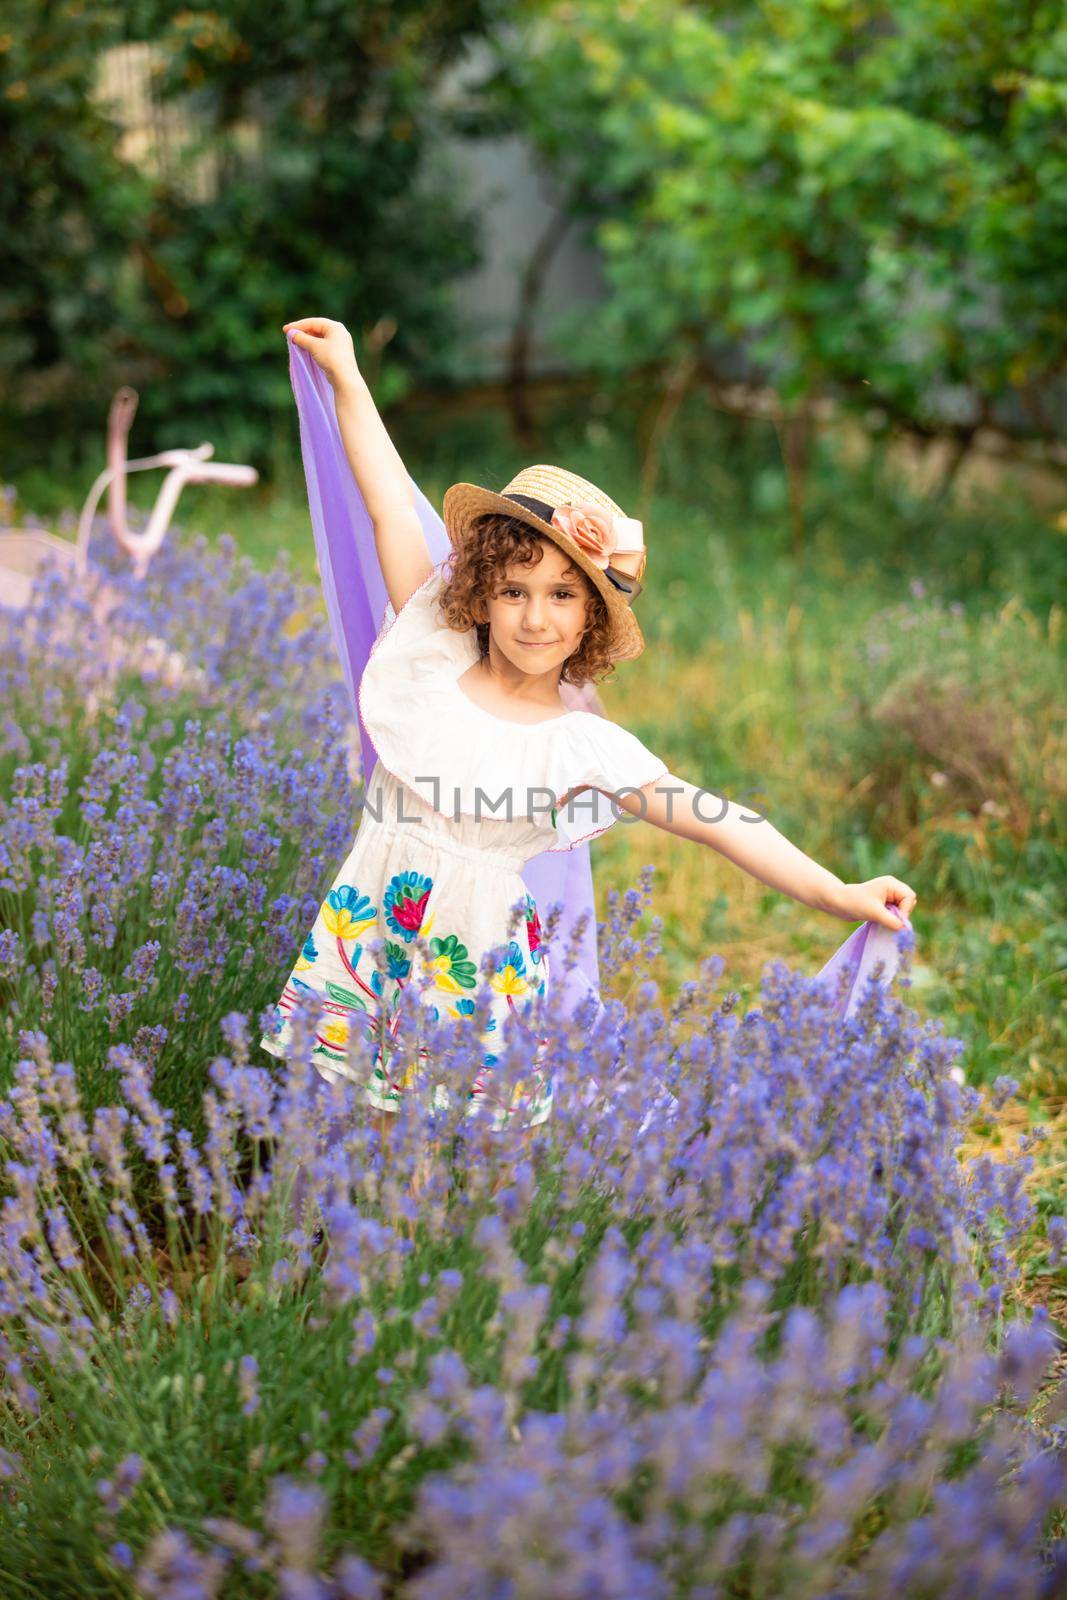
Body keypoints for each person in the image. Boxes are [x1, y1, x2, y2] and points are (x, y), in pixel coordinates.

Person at [259, 315, 917, 1167]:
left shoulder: (580, 749)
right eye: (517, 589)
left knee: (445, 1148)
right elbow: (386, 499)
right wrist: (349, 377)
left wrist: (837, 891)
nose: (536, 617)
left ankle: (437, 1273)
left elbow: (718, 820)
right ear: (481, 593)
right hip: (373, 927)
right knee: (362, 1124)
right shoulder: (428, 660)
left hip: (470, 959)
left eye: (565, 596)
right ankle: (349, 1266)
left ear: (591, 622)